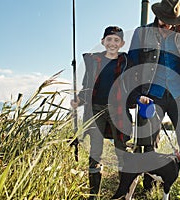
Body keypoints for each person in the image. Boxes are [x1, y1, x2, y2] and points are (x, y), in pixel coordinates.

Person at [128, 0, 180, 198]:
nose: (168, 25)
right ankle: (149, 188)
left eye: (172, 21)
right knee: (148, 142)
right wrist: (137, 95)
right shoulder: (142, 33)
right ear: (158, 15)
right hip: (151, 95)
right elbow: (131, 65)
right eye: (164, 21)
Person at [71, 26, 132, 199]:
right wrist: (79, 100)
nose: (112, 43)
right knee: (95, 151)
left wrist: (138, 99)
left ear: (122, 44)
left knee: (122, 150)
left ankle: (123, 193)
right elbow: (87, 87)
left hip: (118, 111)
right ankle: (93, 194)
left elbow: (132, 86)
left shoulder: (126, 62)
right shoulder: (93, 62)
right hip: (95, 110)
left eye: (116, 40)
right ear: (103, 42)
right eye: (109, 39)